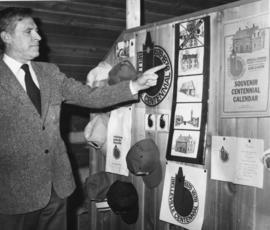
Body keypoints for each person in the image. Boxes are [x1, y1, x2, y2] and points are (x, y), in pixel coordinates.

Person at [0, 7, 165, 230]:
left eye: (37, 30)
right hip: (13, 194)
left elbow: (89, 96)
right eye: (29, 31)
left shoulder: (49, 72)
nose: (38, 37)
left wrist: (134, 85)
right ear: (6, 36)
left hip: (58, 188)